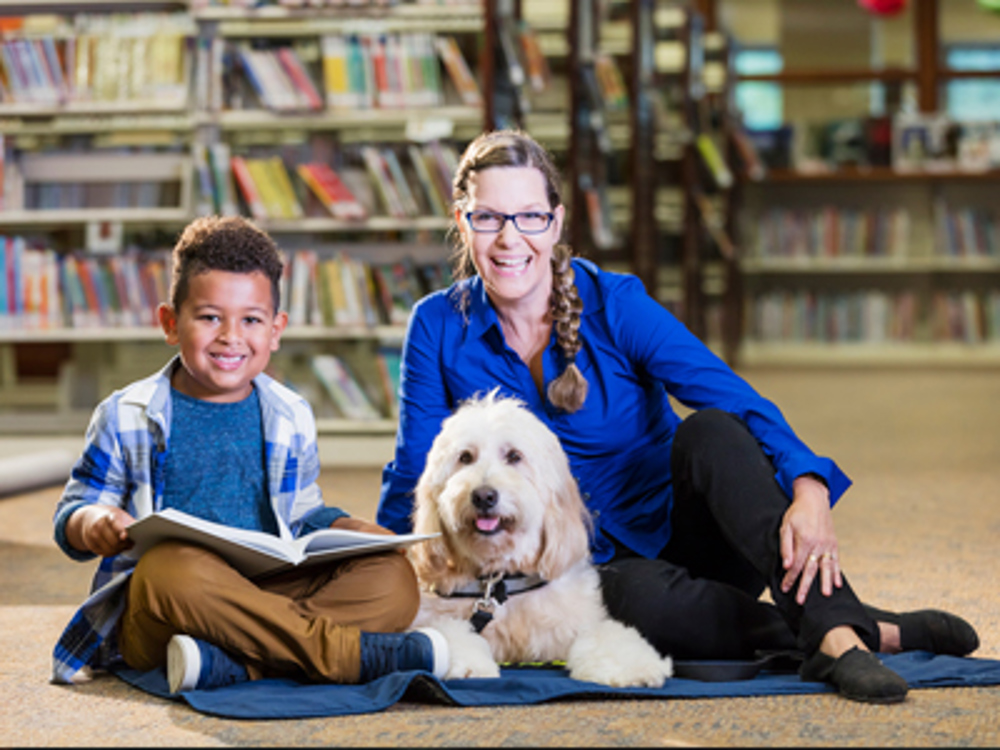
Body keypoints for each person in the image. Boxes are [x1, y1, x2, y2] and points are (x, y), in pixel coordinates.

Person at [375, 129, 979, 704]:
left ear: (555, 222)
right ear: (463, 221)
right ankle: (873, 630)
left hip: (686, 531)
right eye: (488, 218)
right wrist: (380, 580)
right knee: (634, 605)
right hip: (594, 571)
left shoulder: (615, 303)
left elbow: (731, 395)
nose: (510, 239)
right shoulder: (436, 326)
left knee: (713, 431)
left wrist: (808, 481)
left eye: (529, 216)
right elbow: (417, 473)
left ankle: (839, 638)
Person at [52, 216, 447, 692]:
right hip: (172, 604)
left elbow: (301, 512)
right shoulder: (127, 413)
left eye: (251, 320)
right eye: (210, 317)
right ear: (170, 324)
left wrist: (353, 531)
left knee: (393, 579)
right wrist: (92, 522)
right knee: (169, 569)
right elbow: (72, 513)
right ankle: (342, 656)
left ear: (276, 330)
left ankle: (233, 664)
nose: (230, 337)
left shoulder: (289, 413)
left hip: (263, 593)